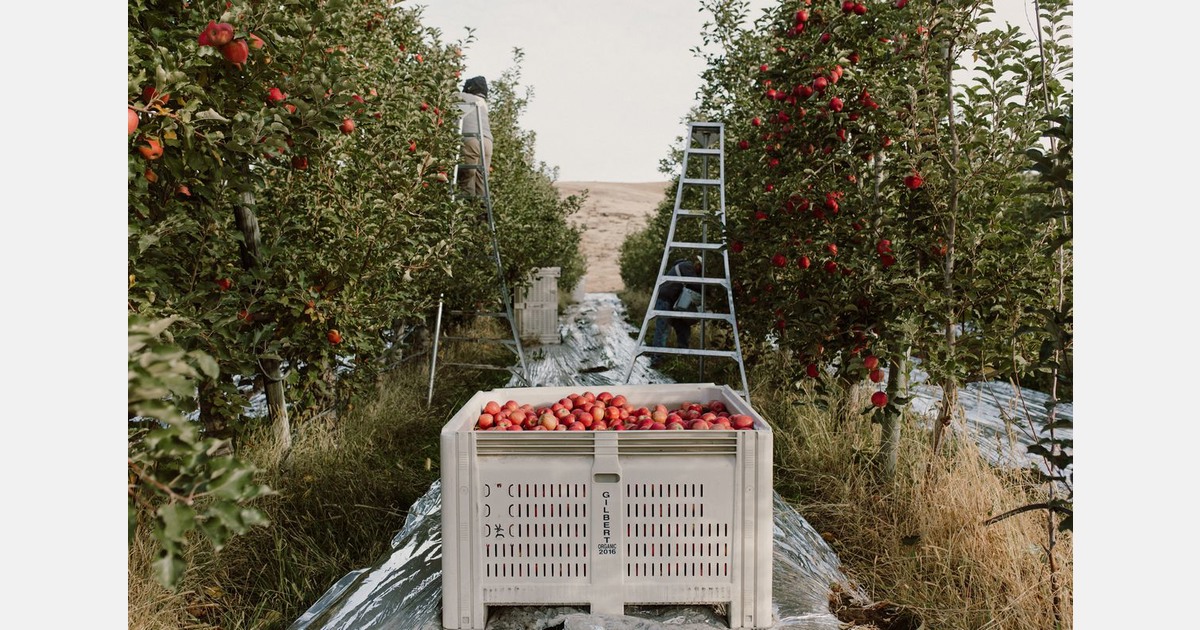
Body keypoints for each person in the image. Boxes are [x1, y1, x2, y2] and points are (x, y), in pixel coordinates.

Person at [650, 257, 703, 364]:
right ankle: (657, 358)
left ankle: (682, 355)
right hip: (665, 300)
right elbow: (695, 285)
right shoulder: (687, 266)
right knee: (663, 329)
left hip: (674, 302)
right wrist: (711, 290)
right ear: (698, 265)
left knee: (683, 326)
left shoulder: (683, 268)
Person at [453, 76, 493, 199]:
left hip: (471, 139)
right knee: (482, 179)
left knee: (468, 176)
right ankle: (481, 214)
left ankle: (466, 213)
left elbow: (446, 98)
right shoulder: (484, 104)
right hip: (487, 142)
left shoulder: (463, 97)